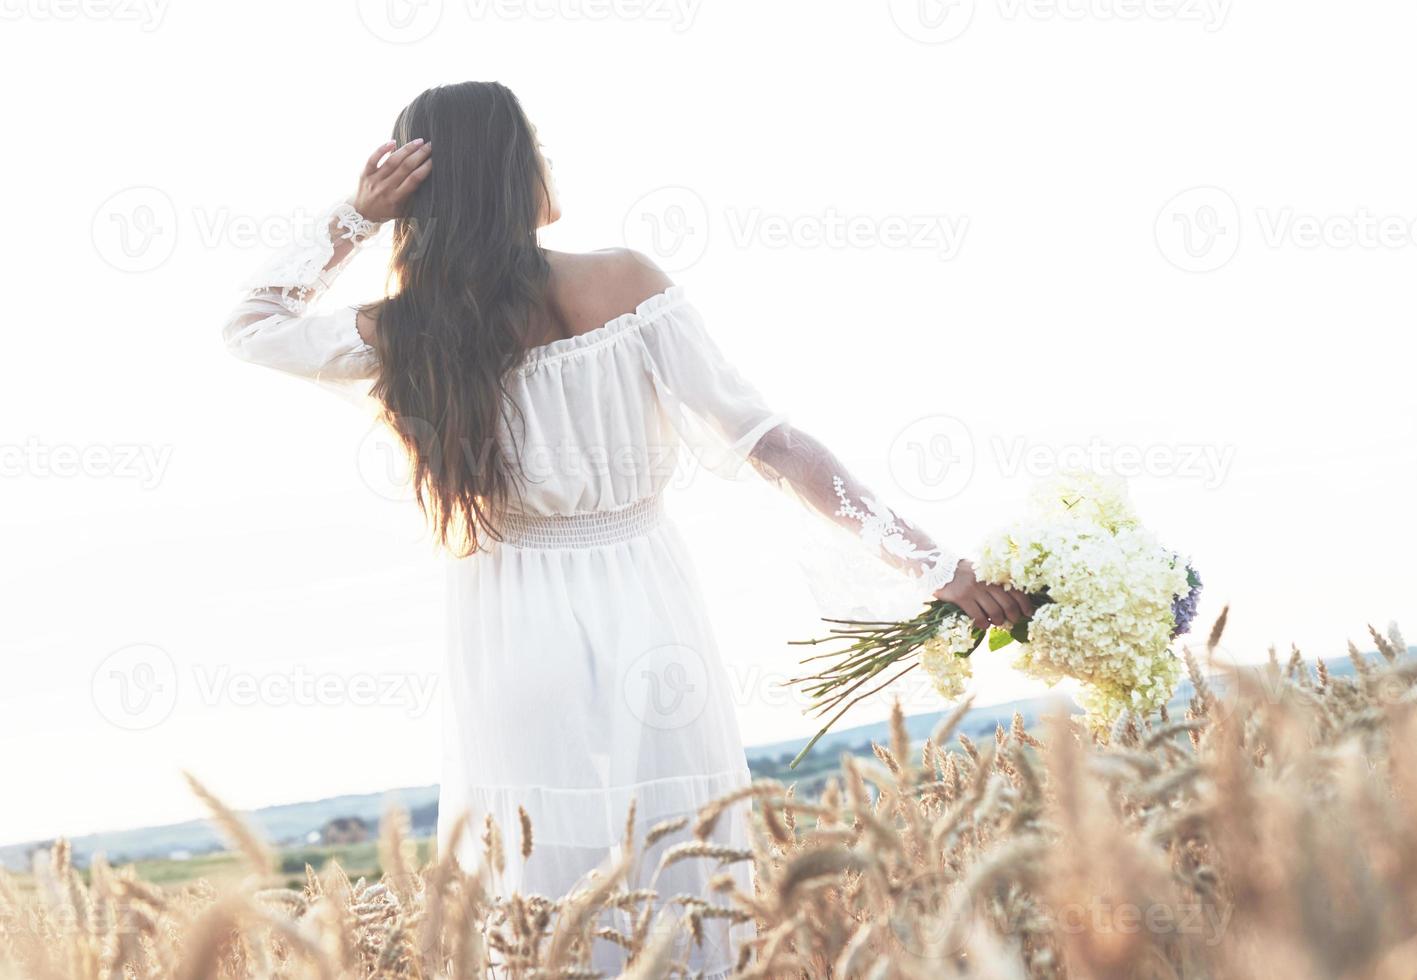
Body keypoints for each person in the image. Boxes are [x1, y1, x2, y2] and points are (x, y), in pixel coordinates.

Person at [222, 79, 1031, 976]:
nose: (549, 162)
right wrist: (934, 566)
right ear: (508, 168)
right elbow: (771, 441)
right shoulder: (624, 279)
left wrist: (355, 216)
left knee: (541, 887)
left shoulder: (410, 332)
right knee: (685, 863)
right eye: (535, 146)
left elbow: (253, 326)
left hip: (509, 623)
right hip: (644, 598)